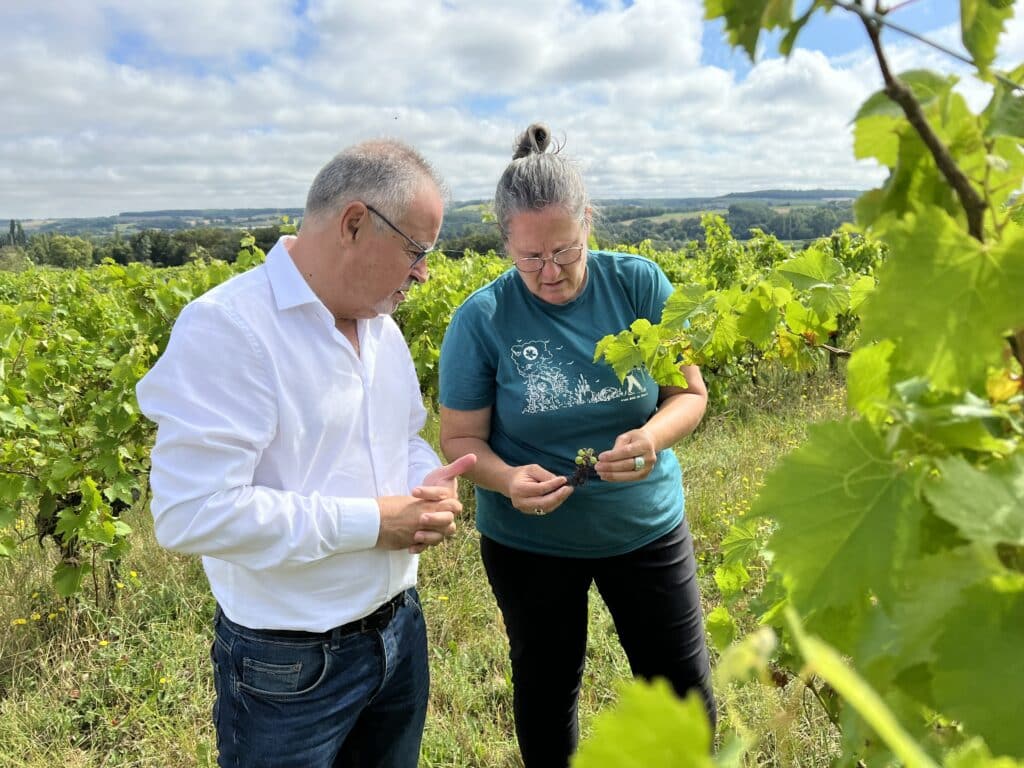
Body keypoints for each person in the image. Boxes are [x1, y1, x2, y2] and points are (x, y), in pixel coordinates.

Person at [136, 139, 476, 768]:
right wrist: (376, 522)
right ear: (354, 223)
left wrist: (424, 481)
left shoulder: (382, 325)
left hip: (399, 630)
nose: (424, 272)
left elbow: (401, 435)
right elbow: (191, 512)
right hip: (290, 668)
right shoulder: (229, 328)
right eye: (417, 250)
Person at [438, 124, 716, 767]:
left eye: (565, 250)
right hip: (529, 543)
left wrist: (649, 438)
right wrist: (509, 482)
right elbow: (460, 439)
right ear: (504, 241)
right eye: (529, 258)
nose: (550, 273)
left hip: (644, 527)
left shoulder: (640, 285)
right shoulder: (480, 318)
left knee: (682, 691)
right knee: (546, 687)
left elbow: (689, 394)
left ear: (588, 223)